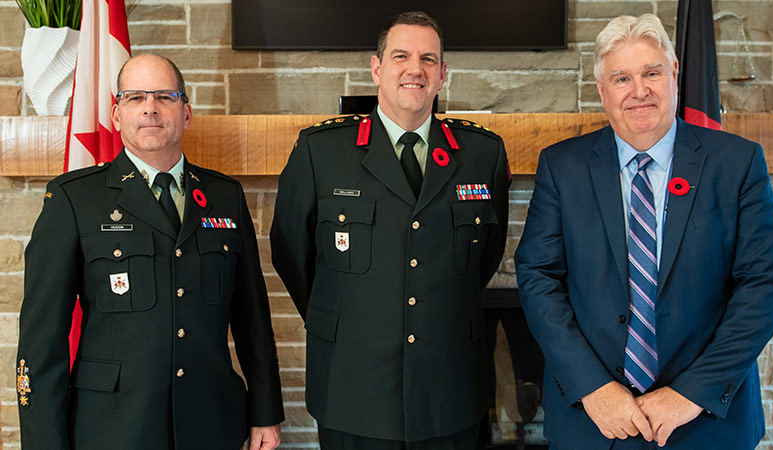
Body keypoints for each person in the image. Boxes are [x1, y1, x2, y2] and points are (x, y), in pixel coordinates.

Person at [515, 13, 773, 450]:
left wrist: (689, 395)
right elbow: (538, 278)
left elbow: (764, 287)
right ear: (603, 91)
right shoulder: (562, 167)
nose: (639, 90)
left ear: (675, 73)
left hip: (706, 423)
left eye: (651, 72)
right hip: (595, 422)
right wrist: (593, 388)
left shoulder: (737, 164)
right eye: (621, 78)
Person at [16, 54, 284, 450]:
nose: (150, 108)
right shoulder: (75, 199)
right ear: (116, 114)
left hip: (210, 422)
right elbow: (42, 341)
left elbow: (252, 318)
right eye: (135, 97)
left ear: (186, 111)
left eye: (165, 96)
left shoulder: (224, 196)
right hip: (113, 427)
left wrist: (265, 411)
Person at [270, 11, 510, 450]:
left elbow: (483, 259)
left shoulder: (482, 154)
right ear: (377, 69)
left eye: (428, 59)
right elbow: (290, 251)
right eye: (401, 56)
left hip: (448, 392)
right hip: (353, 388)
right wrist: (347, 319)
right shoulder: (321, 151)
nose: (414, 69)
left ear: (442, 75)